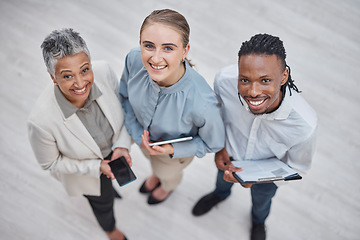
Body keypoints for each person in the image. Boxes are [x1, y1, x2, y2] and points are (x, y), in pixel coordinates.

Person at [191, 33, 318, 240]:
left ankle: (258, 222)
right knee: (221, 182)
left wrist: (257, 180)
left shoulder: (304, 125)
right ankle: (220, 195)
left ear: (284, 76)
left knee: (261, 203)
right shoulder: (224, 81)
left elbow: (298, 166)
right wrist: (220, 147)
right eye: (245, 80)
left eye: (265, 80)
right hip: (228, 156)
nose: (253, 92)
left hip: (267, 179)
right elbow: (217, 116)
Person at [28, 28, 131, 240]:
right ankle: (110, 230)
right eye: (67, 76)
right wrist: (95, 167)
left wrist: (122, 145)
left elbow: (124, 108)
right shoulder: (40, 121)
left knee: (115, 182)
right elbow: (49, 164)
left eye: (84, 70)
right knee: (103, 203)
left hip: (114, 151)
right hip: (88, 172)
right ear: (53, 78)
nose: (80, 83)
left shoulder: (104, 71)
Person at [119, 9, 225, 205]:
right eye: (149, 46)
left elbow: (214, 143)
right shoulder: (133, 59)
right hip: (143, 142)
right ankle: (156, 176)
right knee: (155, 169)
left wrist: (173, 149)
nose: (156, 58)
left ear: (185, 51)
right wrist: (137, 136)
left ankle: (168, 185)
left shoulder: (203, 103)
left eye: (168, 48)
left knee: (167, 174)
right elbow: (124, 96)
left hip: (172, 158)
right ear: (140, 44)